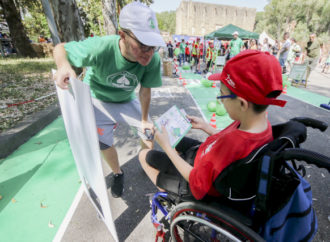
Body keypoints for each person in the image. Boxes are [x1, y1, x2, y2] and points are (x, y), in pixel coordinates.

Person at [139, 50, 286, 201]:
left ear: (242, 103)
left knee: (144, 155)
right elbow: (229, 145)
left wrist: (166, 149)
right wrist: (206, 127)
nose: (219, 99)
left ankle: (169, 197)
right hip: (206, 157)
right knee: (175, 140)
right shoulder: (259, 125)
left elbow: (197, 180)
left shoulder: (234, 143)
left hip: (196, 181)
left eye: (222, 94)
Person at [53, 2, 165, 198]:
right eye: (142, 45)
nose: (149, 53)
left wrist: (145, 119)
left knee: (147, 132)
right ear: (122, 35)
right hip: (97, 100)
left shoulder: (152, 59)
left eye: (153, 46)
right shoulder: (100, 48)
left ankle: (145, 161)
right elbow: (60, 48)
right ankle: (117, 173)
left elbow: (145, 91)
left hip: (125, 99)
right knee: (103, 142)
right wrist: (63, 65)